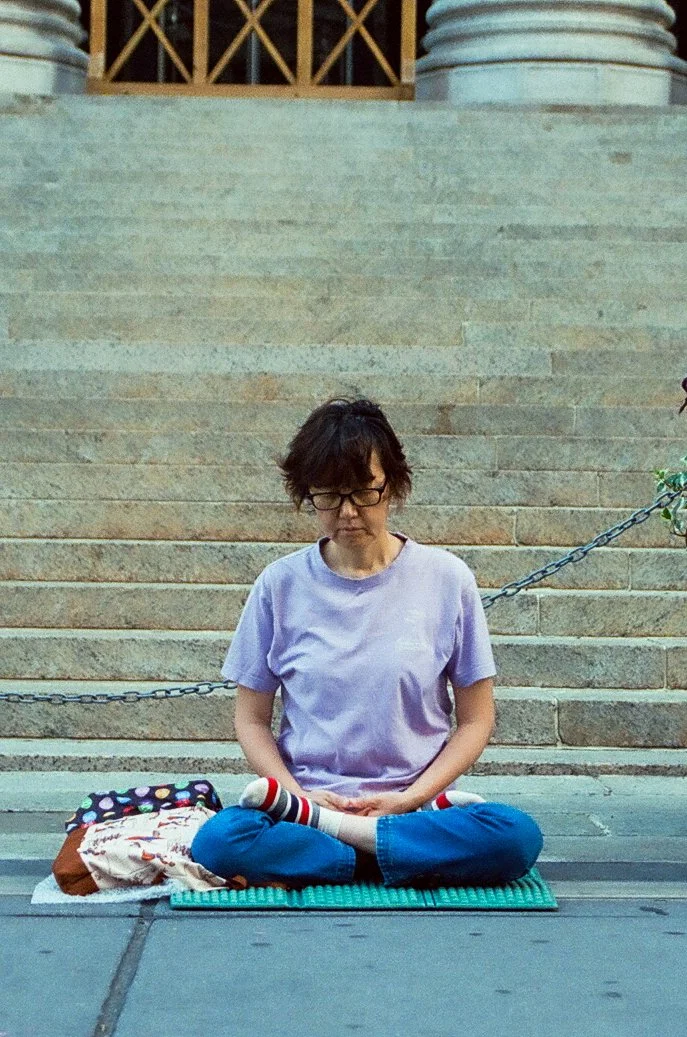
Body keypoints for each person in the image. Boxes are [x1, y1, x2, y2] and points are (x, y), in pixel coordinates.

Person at [191, 398, 543, 888]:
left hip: (414, 805)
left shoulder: (447, 578)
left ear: (392, 484)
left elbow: (476, 719)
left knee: (516, 836)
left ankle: (348, 848)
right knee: (219, 841)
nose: (348, 512)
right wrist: (297, 796)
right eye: (328, 496)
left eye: (363, 492)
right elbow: (251, 718)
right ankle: (393, 853)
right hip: (309, 807)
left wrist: (409, 799)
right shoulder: (279, 585)